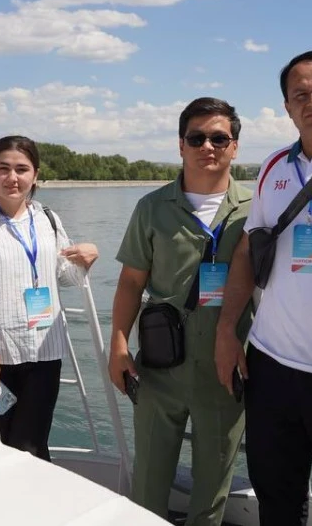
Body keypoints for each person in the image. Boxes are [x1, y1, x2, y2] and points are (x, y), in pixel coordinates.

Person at [213, 52, 312, 525]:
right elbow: (248, 249)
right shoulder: (273, 166)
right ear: (287, 107)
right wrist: (228, 331)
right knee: (277, 501)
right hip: (271, 366)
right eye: (299, 95)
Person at [107, 97, 254, 526]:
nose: (207, 146)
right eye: (196, 138)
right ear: (180, 145)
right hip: (161, 366)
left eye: (219, 138)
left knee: (211, 490)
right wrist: (118, 345)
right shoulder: (152, 208)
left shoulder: (257, 208)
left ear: (234, 147)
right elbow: (131, 282)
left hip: (227, 367)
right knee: (149, 483)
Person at [0, 135, 99, 459]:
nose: (12, 177)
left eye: (21, 169)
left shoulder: (48, 219)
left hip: (45, 353)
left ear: (36, 175)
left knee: (32, 447)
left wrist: (87, 259)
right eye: (3, 168)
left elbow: (65, 276)